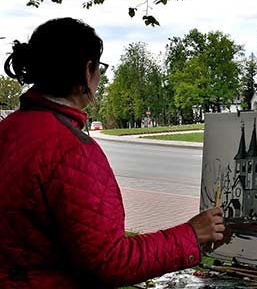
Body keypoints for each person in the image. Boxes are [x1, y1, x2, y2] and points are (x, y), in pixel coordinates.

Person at [0, 18, 225, 288]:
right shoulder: (71, 149)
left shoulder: (8, 129)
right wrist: (192, 235)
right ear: (87, 71)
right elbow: (109, 262)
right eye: (100, 68)